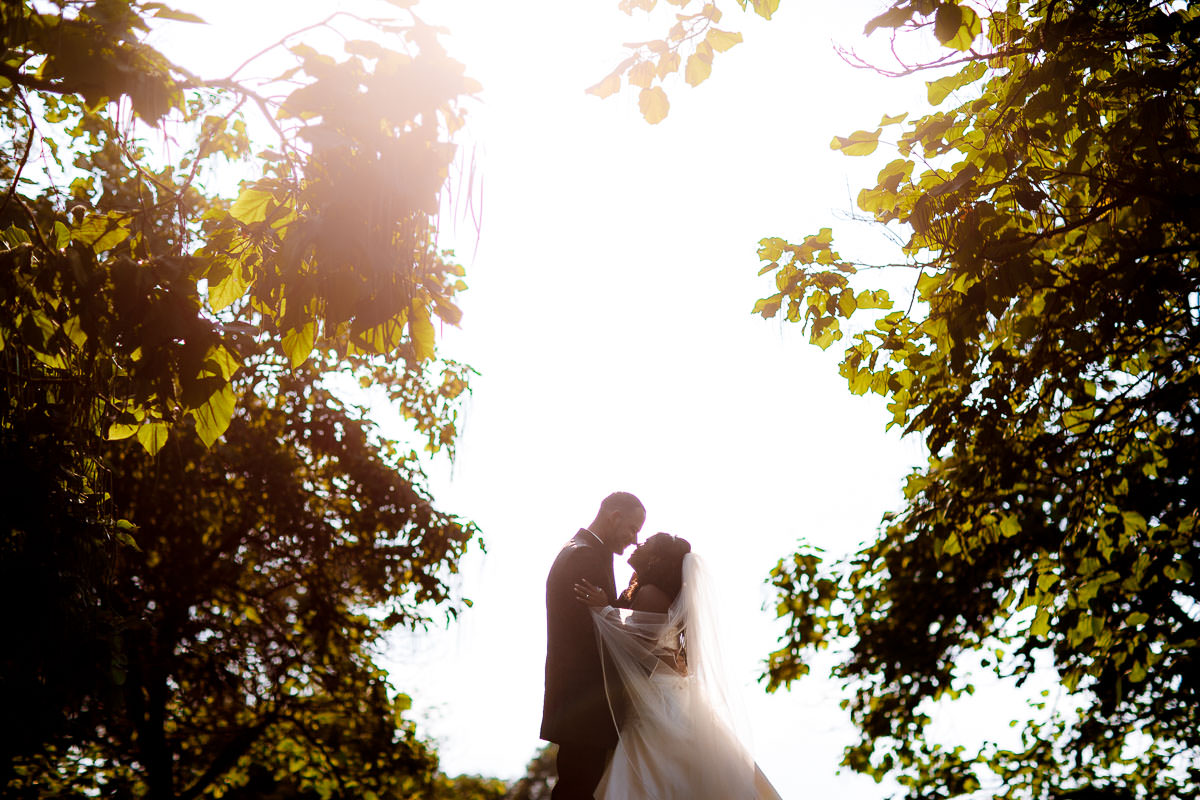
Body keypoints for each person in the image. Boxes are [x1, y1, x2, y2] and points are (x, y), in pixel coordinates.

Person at [575, 533, 783, 800]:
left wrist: (603, 610)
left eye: (646, 544)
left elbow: (640, 644)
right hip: (658, 693)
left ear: (655, 559)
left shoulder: (651, 594)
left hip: (658, 699)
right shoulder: (649, 593)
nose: (638, 544)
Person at [541, 492, 646, 800]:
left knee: (579, 786)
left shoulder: (583, 550)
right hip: (585, 700)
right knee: (577, 788)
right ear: (614, 516)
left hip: (579, 700)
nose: (634, 539)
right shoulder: (585, 556)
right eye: (632, 528)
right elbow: (591, 635)